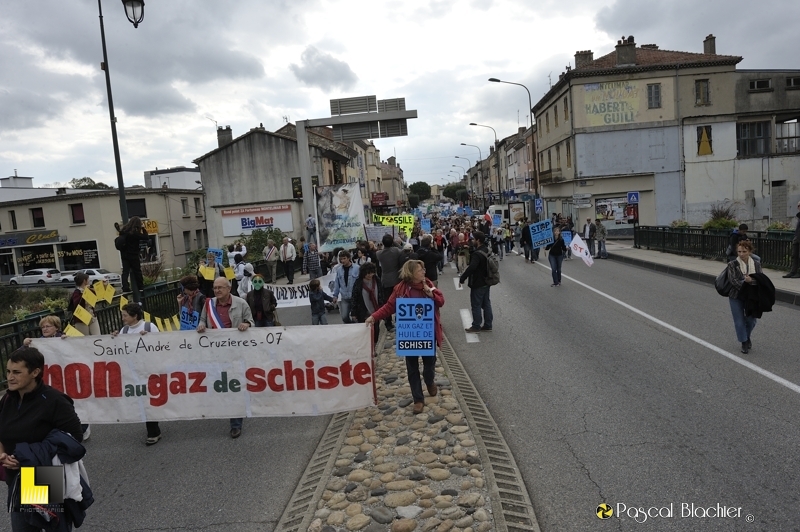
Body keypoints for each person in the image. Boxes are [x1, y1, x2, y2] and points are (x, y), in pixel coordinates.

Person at [0, 346, 86, 532]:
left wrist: (27, 456)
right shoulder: (7, 399)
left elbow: (74, 437)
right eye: (8, 371)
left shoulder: (53, 400)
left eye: (16, 372)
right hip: (15, 478)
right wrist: (2, 455)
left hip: (42, 476)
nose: (10, 377)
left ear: (35, 372)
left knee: (50, 527)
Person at [365, 260, 444, 414]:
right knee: (412, 367)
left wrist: (431, 293)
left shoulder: (428, 284)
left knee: (429, 364)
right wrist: (373, 317)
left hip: (427, 334)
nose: (423, 271)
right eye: (420, 270)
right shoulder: (400, 289)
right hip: (409, 334)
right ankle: (418, 399)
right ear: (411, 273)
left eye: (423, 269)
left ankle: (429, 381)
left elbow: (441, 301)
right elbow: (389, 307)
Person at [197, 277, 254, 438]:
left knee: (233, 387)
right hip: (215, 354)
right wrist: (201, 325)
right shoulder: (209, 305)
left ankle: (235, 424)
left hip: (235, 353)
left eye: (220, 288)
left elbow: (251, 323)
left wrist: (247, 325)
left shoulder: (241, 304)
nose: (217, 291)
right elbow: (202, 319)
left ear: (229, 288)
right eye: (215, 288)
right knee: (220, 385)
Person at [113, 303, 162, 445]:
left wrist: (149, 339)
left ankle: (153, 431)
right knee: (142, 400)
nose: (122, 318)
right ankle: (153, 428)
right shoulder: (124, 330)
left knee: (149, 399)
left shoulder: (149, 327)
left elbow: (161, 345)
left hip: (150, 370)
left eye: (125, 315)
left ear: (134, 316)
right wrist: (114, 338)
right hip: (133, 371)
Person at [726, 241, 764, 354]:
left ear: (750, 252)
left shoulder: (756, 264)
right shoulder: (732, 264)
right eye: (739, 252)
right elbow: (733, 281)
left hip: (751, 296)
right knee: (739, 321)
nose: (741, 254)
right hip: (736, 295)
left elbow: (760, 279)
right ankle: (744, 342)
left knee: (751, 320)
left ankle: (746, 336)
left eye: (744, 251)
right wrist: (745, 283)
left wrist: (751, 281)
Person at [460, 231, 493, 333]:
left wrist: (463, 277)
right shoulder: (487, 250)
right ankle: (488, 324)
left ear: (478, 240)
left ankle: (476, 325)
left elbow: (472, 267)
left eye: (474, 239)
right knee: (486, 303)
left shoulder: (477, 254)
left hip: (477, 282)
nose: (472, 241)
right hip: (487, 281)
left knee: (476, 305)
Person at [377, 234, 406, 331]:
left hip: (385, 280)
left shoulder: (379, 253)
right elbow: (403, 248)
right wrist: (394, 242)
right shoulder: (396, 251)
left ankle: (388, 323)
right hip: (397, 280)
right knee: (399, 301)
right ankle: (400, 320)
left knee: (387, 302)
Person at [350, 262, 383, 345]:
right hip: (363, 311)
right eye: (367, 273)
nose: (369, 275)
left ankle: (374, 347)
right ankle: (367, 347)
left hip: (375, 311)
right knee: (366, 332)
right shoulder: (358, 283)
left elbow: (381, 295)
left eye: (371, 273)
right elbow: (354, 297)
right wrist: (353, 312)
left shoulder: (377, 281)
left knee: (376, 330)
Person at [118, 216, 150, 295]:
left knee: (125, 272)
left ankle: (125, 287)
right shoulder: (134, 233)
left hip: (124, 255)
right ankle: (140, 287)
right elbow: (146, 237)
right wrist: (143, 228)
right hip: (133, 255)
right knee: (137, 271)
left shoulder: (123, 232)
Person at [331, 251, 360, 324]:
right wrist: (335, 295)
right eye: (341, 259)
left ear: (349, 258)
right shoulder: (339, 270)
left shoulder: (357, 268)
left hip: (355, 297)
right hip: (345, 297)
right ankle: (350, 325)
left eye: (344, 258)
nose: (342, 261)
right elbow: (337, 283)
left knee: (356, 317)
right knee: (344, 317)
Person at [785, 202, 800, 278]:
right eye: (798, 206)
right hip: (797, 238)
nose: (799, 207)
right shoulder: (798, 217)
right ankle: (793, 271)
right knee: (794, 255)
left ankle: (798, 272)